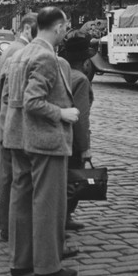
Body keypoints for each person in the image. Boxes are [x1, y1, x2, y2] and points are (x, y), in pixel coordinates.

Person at [4, 7, 80, 276]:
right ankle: (47, 267)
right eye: (66, 27)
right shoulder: (46, 56)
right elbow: (33, 101)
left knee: (21, 201)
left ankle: (20, 261)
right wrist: (62, 113)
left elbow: (11, 98)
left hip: (18, 137)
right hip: (43, 139)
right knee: (48, 203)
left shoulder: (21, 52)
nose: (66, 32)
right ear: (58, 27)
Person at [0, 13, 38, 241]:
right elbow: (6, 92)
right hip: (11, 120)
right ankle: (8, 226)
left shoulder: (13, 48)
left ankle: (7, 224)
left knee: (9, 176)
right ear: (29, 29)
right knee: (12, 178)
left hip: (5, 120)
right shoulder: (20, 51)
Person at [58, 30, 95, 232]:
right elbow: (81, 118)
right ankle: (64, 217)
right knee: (72, 179)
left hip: (59, 135)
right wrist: (85, 147)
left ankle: (64, 217)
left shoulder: (62, 73)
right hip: (72, 139)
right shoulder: (81, 79)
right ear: (85, 61)